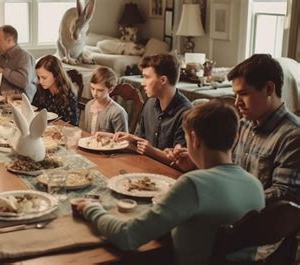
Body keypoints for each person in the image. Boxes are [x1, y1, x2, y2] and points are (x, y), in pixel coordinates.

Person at [77, 100, 265, 265]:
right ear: (235, 138)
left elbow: (128, 236)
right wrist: (193, 167)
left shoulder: (193, 185)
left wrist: (91, 208)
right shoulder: (255, 185)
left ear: (195, 139)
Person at [167, 54, 300, 204]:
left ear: (269, 89)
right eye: (235, 95)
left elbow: (283, 195)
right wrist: (197, 162)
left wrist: (227, 200)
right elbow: (227, 171)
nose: (237, 103)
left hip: (261, 223)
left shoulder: (294, 135)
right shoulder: (243, 125)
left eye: (244, 94)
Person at [114, 53, 192, 164]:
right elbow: (141, 139)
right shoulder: (150, 104)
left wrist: (152, 152)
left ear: (163, 80)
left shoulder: (186, 114)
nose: (142, 83)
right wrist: (127, 139)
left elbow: (181, 162)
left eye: (146, 77)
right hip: (145, 165)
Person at [0, 25, 37, 101]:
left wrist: (2, 71)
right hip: (0, 103)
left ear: (9, 40)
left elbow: (24, 81)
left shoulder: (24, 57)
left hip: (21, 105)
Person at [79, 66, 128, 133]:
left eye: (100, 90)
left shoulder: (118, 113)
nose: (94, 93)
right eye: (92, 88)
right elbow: (87, 133)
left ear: (110, 90)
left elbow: (123, 140)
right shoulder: (89, 105)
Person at [32, 55, 79, 126]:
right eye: (38, 77)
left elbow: (72, 125)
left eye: (44, 78)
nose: (40, 81)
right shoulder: (41, 89)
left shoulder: (68, 96)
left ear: (56, 76)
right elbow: (34, 108)